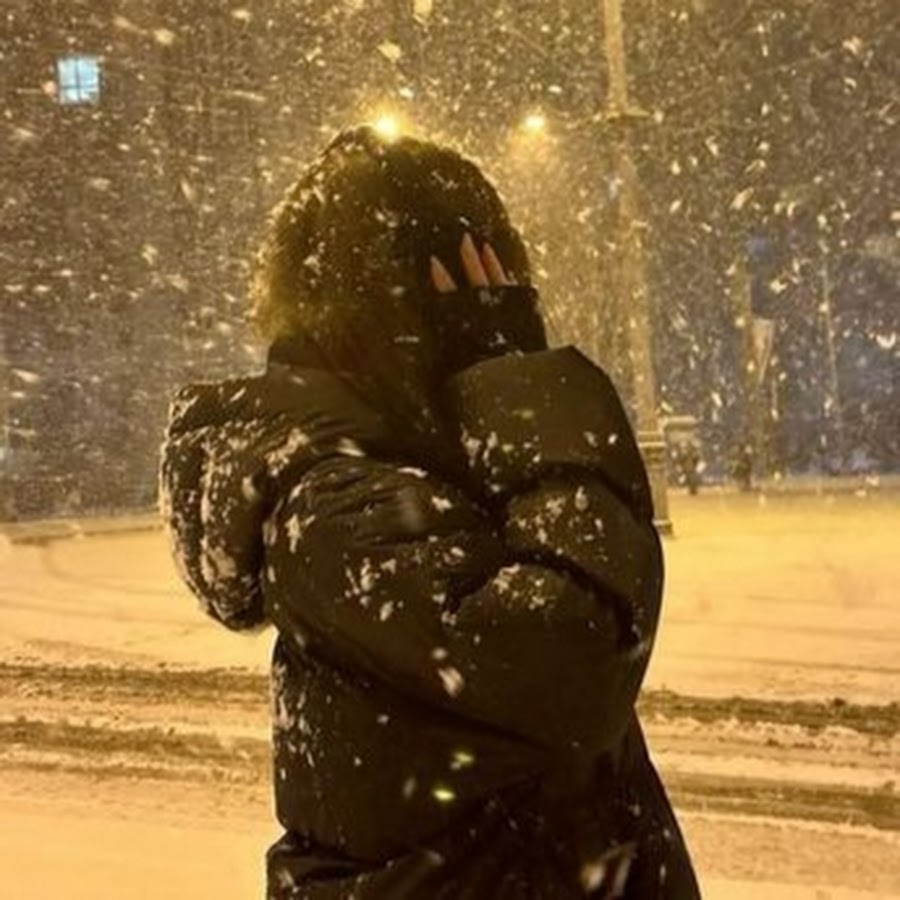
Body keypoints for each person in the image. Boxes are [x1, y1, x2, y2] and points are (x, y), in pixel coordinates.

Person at [159, 126, 701, 899]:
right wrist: (513, 376)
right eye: (482, 280)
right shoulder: (335, 505)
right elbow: (573, 658)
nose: (506, 299)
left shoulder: (415, 476)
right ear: (410, 302)